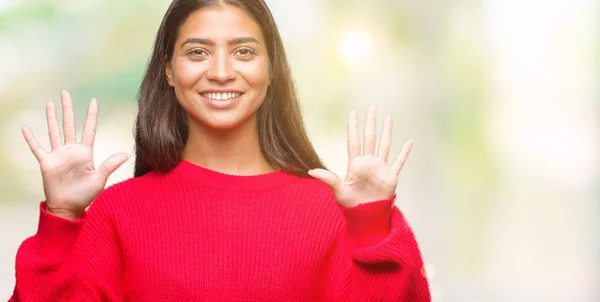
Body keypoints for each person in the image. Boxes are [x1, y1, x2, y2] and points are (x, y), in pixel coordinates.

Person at [10, 0, 431, 301]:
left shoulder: (334, 215)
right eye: (197, 52)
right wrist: (62, 218)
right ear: (170, 72)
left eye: (244, 52)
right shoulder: (116, 214)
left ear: (271, 72)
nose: (222, 71)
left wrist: (373, 225)